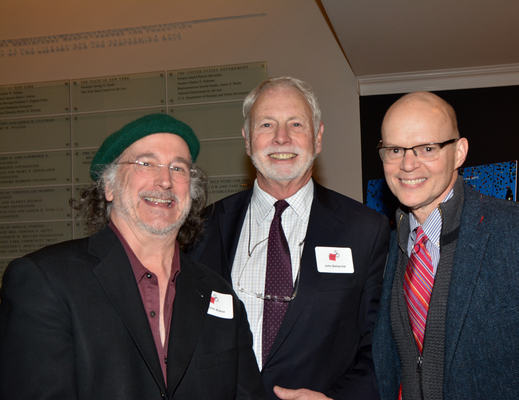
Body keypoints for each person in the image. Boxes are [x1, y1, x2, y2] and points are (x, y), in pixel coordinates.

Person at [0, 114, 265, 399]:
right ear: (109, 186)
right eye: (146, 163)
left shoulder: (218, 292)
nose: (165, 180)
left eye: (178, 168)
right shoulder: (45, 281)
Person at [372, 91, 519, 399]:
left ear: (460, 152)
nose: (408, 165)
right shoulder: (383, 249)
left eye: (427, 148)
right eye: (395, 149)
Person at [188, 77, 389, 400]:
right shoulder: (200, 228)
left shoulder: (365, 230)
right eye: (266, 124)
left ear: (318, 137)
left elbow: (380, 348)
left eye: (296, 124)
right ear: (247, 140)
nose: (281, 138)